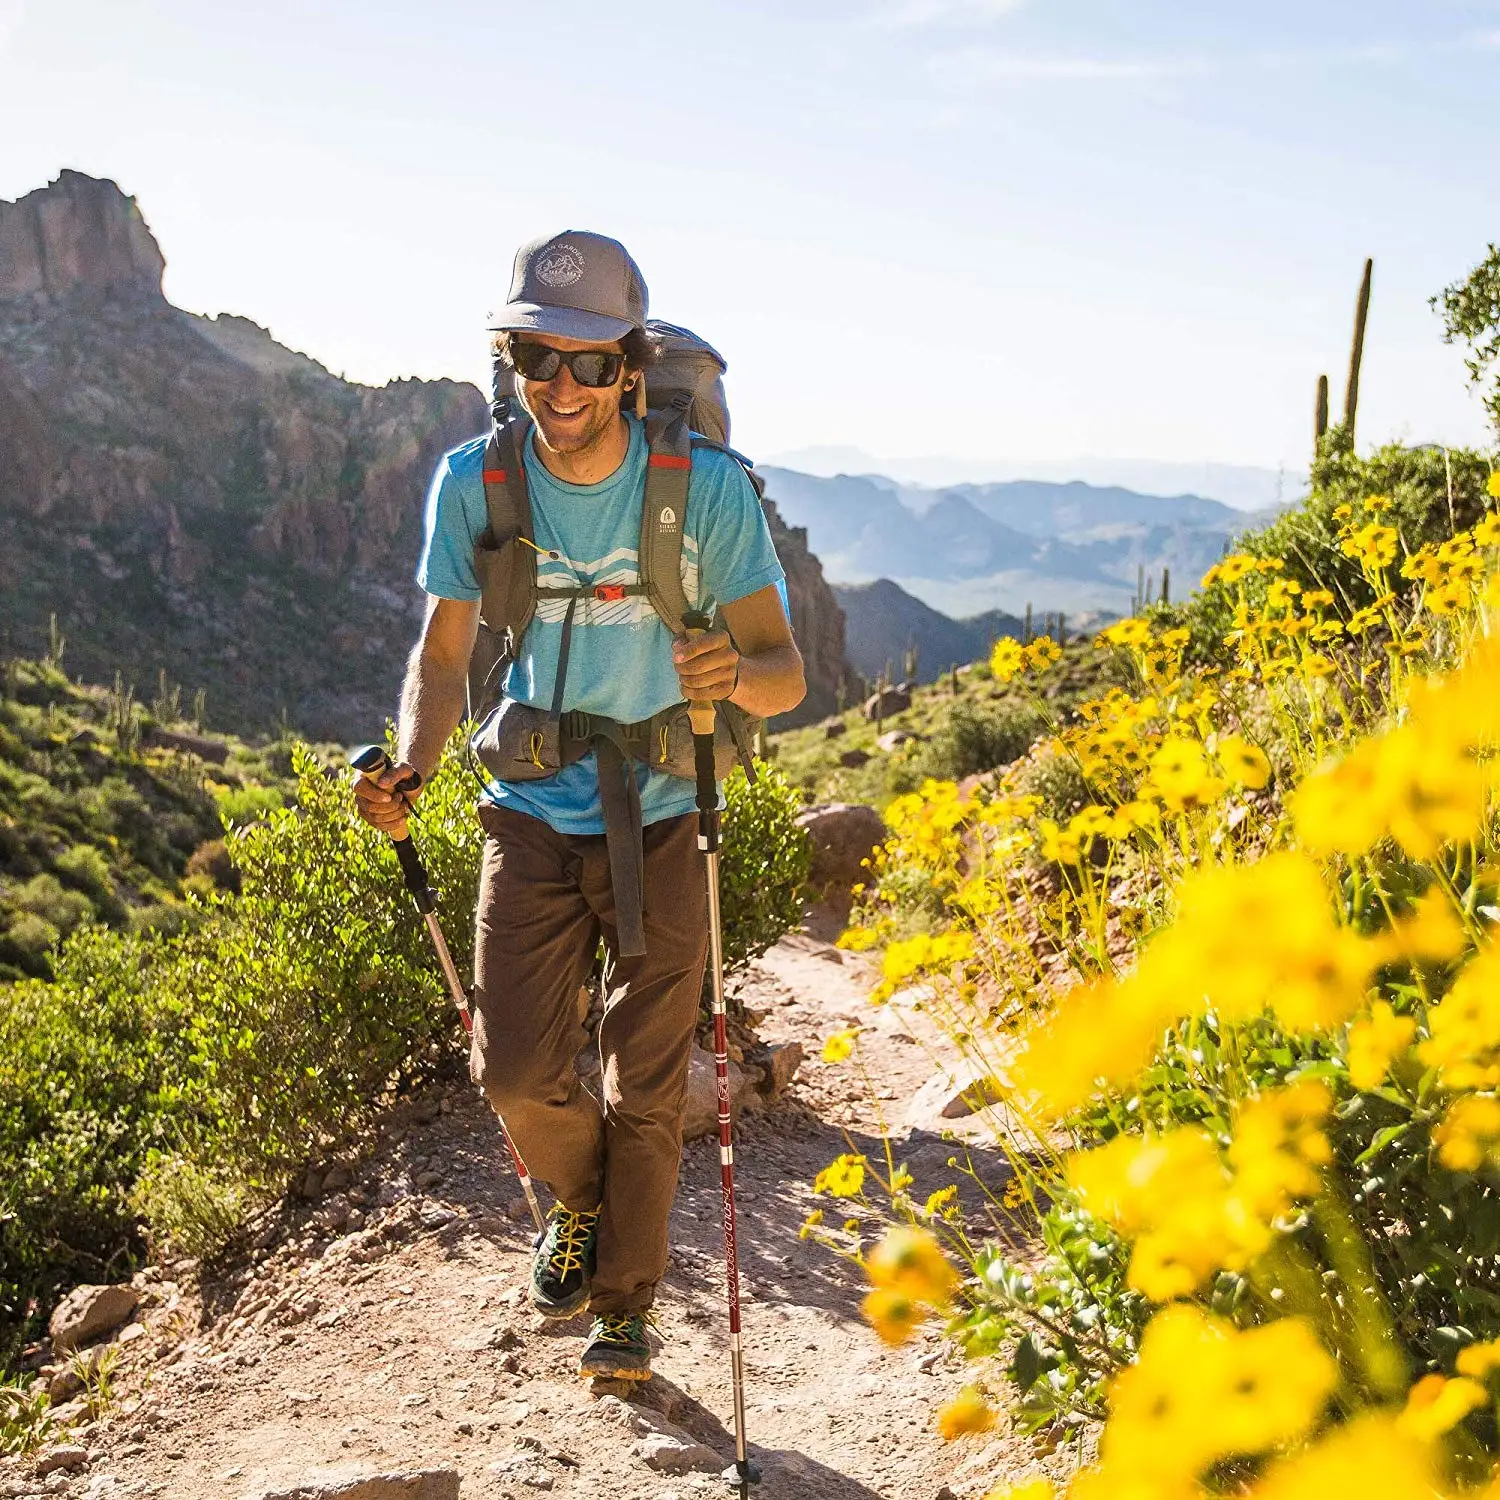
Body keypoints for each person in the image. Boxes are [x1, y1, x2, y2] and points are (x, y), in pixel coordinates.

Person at [354, 230, 805, 1382]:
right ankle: (587, 1202)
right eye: (533, 358)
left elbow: (783, 671)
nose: (560, 387)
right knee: (511, 1070)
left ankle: (622, 1304)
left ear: (629, 369)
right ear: (509, 361)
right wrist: (413, 762)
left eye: (588, 363)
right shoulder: (477, 483)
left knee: (647, 1080)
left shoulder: (702, 491)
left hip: (666, 805)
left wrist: (729, 678)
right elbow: (445, 655)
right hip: (531, 803)